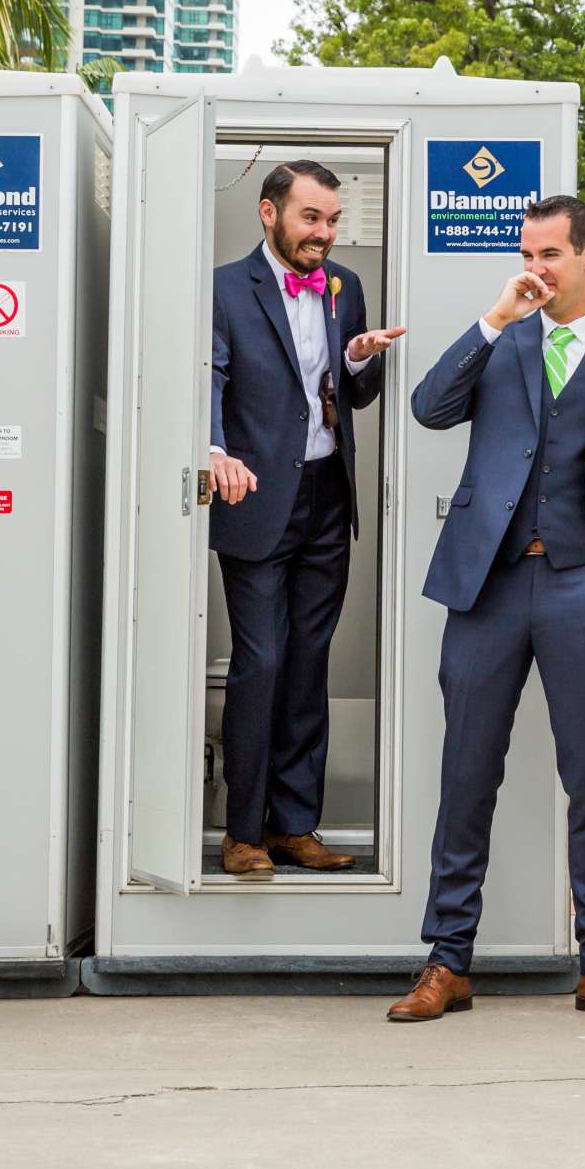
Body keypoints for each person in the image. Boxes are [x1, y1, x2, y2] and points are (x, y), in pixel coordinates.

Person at [390, 197, 585, 1025]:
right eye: (529, 252)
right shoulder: (504, 340)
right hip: (486, 589)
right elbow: (427, 407)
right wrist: (493, 318)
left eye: (552, 253)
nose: (538, 267)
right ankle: (447, 962)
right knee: (466, 776)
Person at [207, 160, 404, 877]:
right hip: (254, 496)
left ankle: (295, 825)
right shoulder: (227, 287)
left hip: (327, 498)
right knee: (261, 663)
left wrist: (357, 359)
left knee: (308, 663)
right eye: (310, 218)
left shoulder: (344, 287)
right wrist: (212, 449)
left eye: (331, 220)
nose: (323, 233)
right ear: (269, 214)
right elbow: (210, 375)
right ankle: (242, 833)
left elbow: (355, 393)